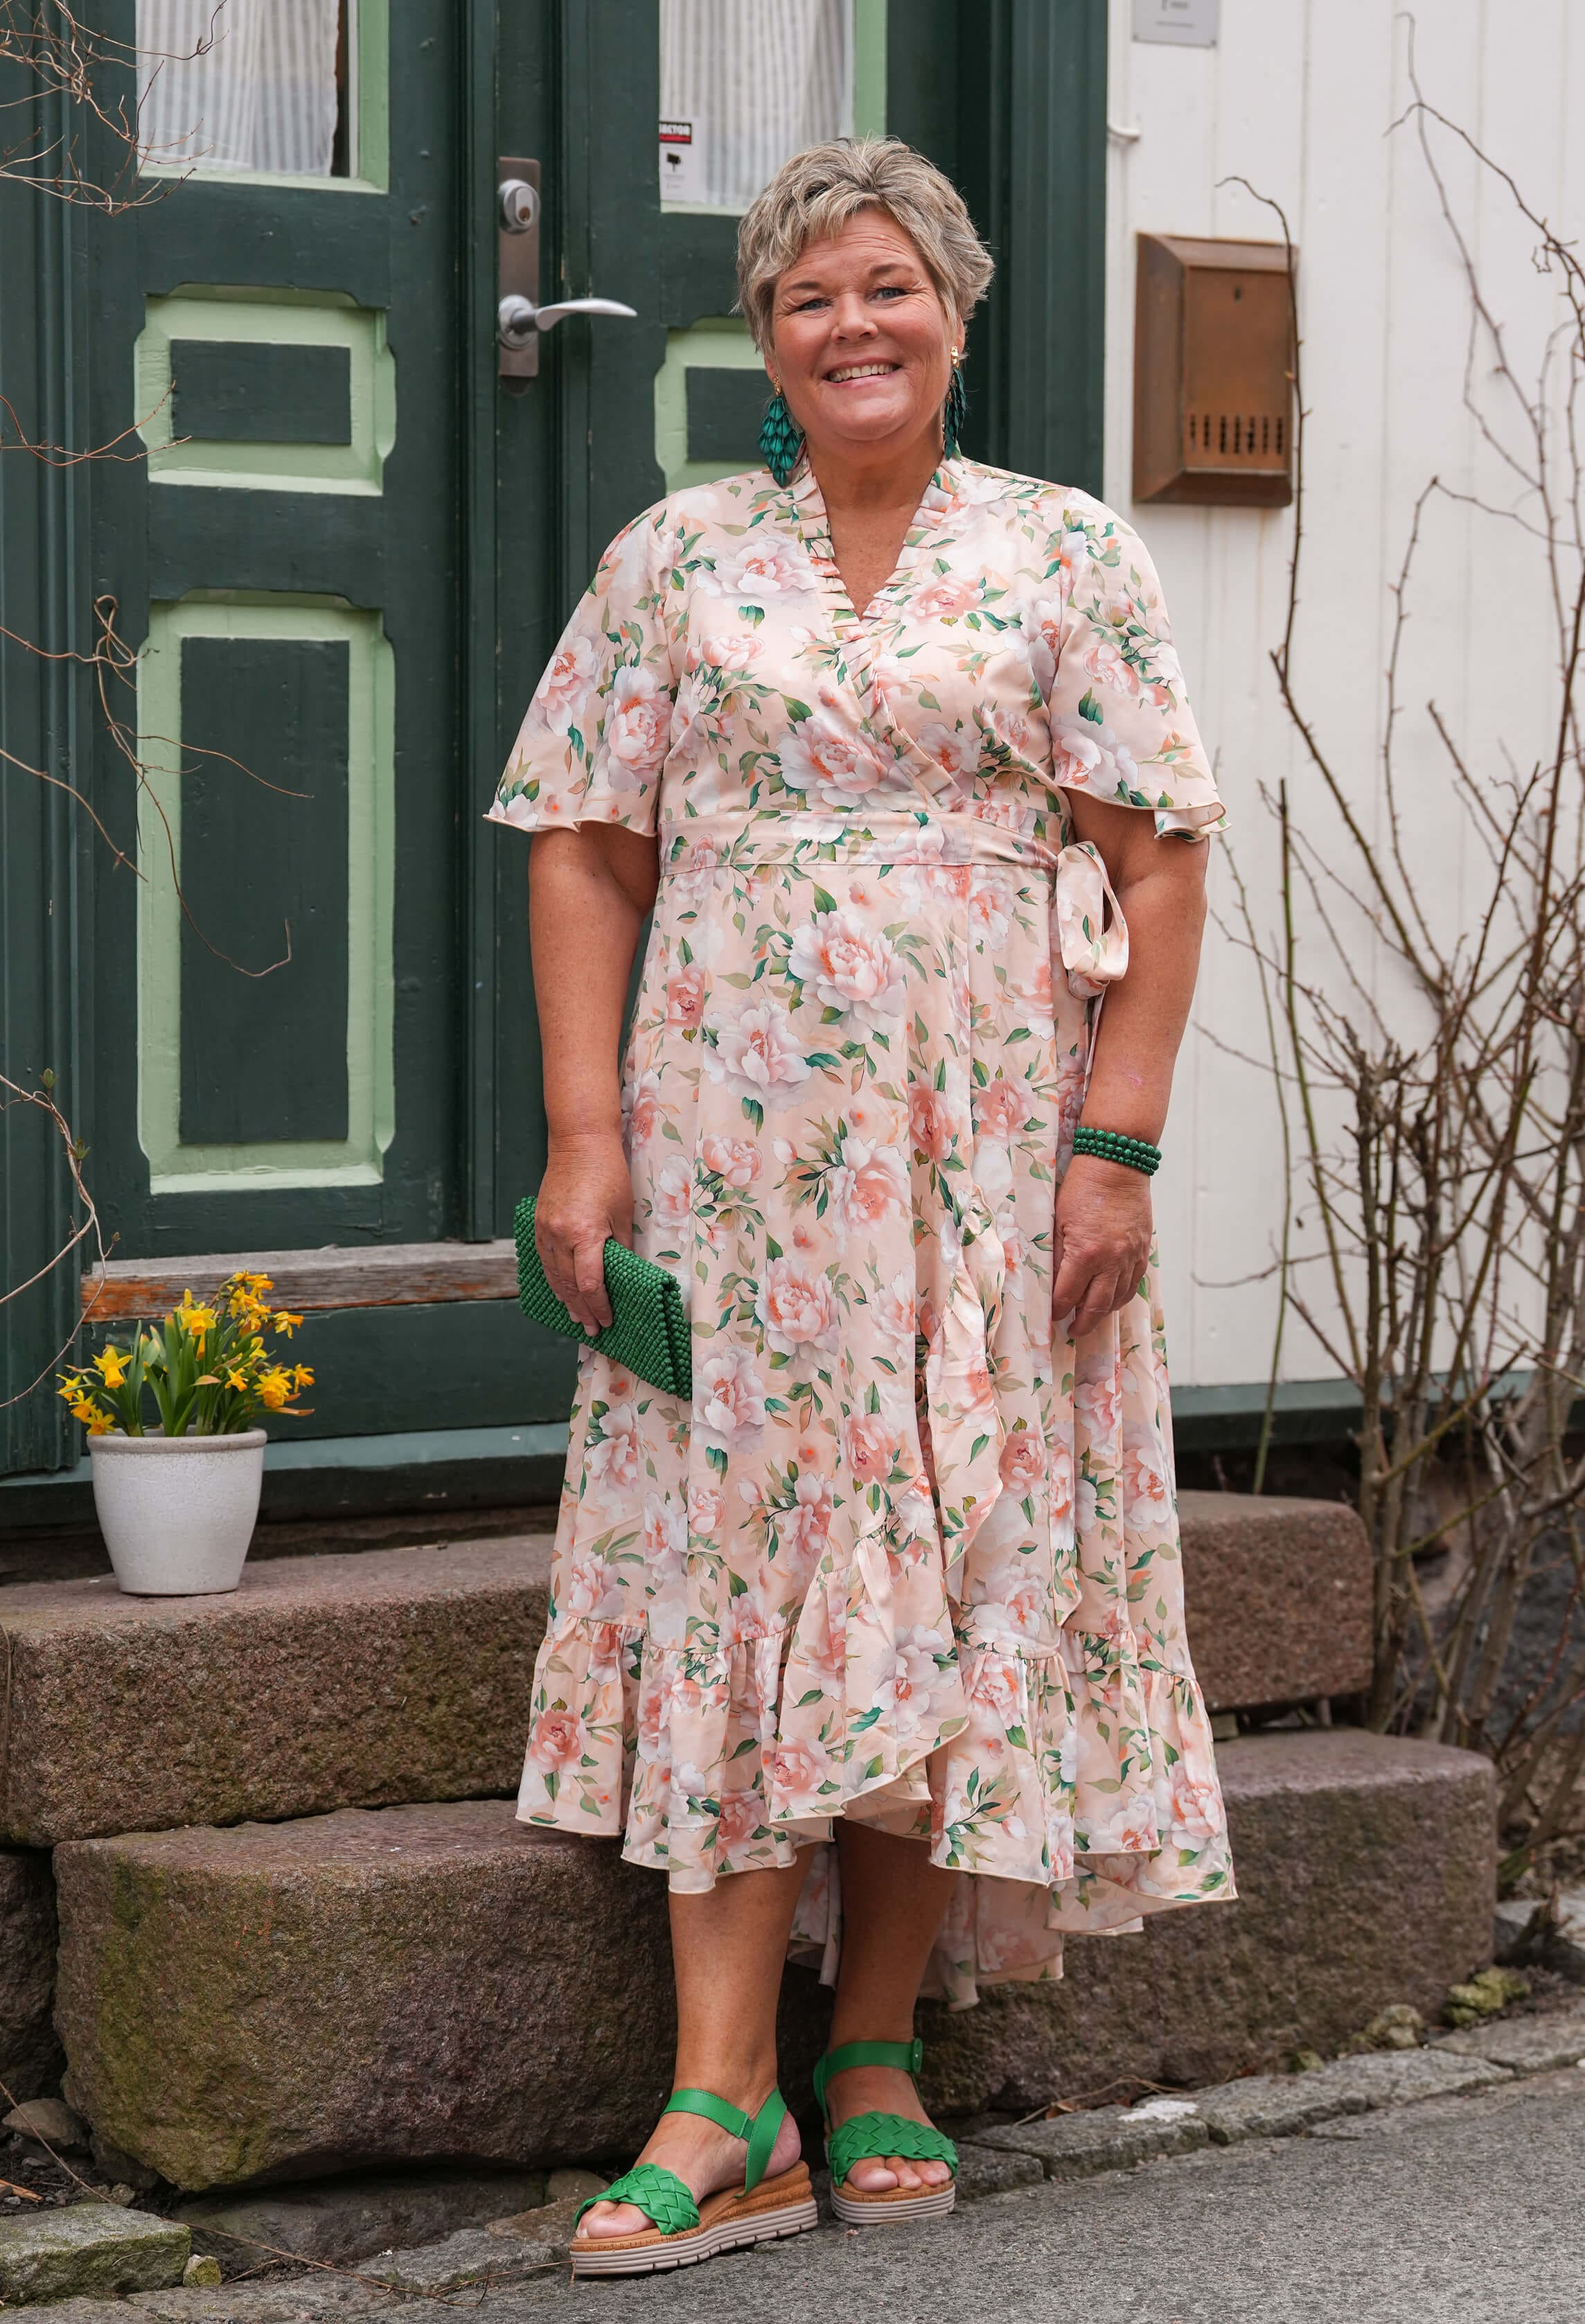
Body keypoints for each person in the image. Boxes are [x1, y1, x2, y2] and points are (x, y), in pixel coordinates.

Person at [488, 135, 1234, 2278]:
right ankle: (721, 2088)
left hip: (991, 1148)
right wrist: (581, 1131)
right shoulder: (674, 561)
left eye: (890, 285)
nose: (854, 324)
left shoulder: (1063, 556)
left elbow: (1160, 856)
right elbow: (581, 840)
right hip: (732, 1138)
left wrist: (1117, 1142)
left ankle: (879, 2044)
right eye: (812, 292)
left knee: (951, 1519)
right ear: (763, 332)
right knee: (749, 1530)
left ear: (959, 311)